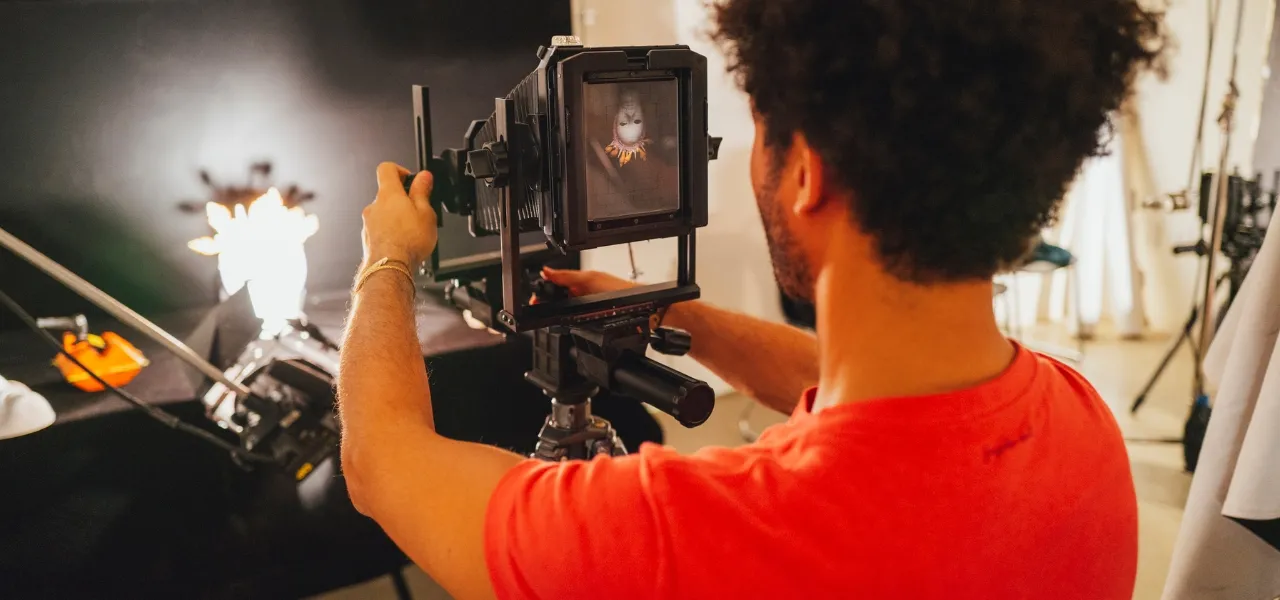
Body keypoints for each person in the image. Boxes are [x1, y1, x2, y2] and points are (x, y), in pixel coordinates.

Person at [337, 0, 1165, 597]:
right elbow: (877, 409)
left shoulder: (690, 538)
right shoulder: (1080, 419)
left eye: (762, 128)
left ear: (808, 174)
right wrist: (669, 313)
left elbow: (381, 461)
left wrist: (388, 260)